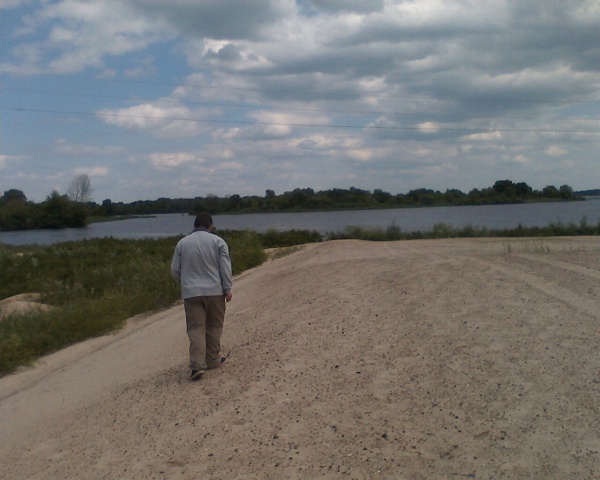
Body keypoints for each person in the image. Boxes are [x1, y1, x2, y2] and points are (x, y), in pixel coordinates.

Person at [171, 213, 233, 381]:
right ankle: (212, 359)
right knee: (214, 325)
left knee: (196, 329)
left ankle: (197, 366)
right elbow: (225, 268)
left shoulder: (182, 243)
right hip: (215, 291)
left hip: (191, 293)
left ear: (194, 225)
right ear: (210, 226)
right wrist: (227, 289)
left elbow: (174, 269)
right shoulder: (218, 241)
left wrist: (185, 282)